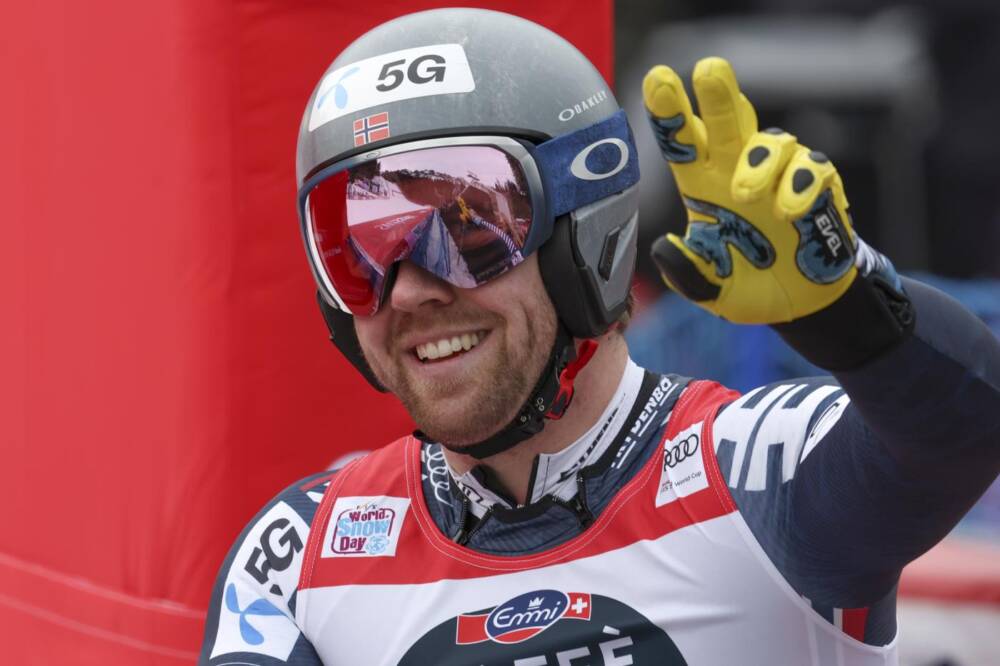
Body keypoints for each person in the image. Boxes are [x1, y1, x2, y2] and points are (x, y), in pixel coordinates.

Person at [199, 8, 1000, 665]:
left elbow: (970, 434)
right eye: (361, 249)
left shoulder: (758, 472)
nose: (408, 290)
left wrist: (849, 303)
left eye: (463, 227)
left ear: (582, 233)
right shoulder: (303, 551)